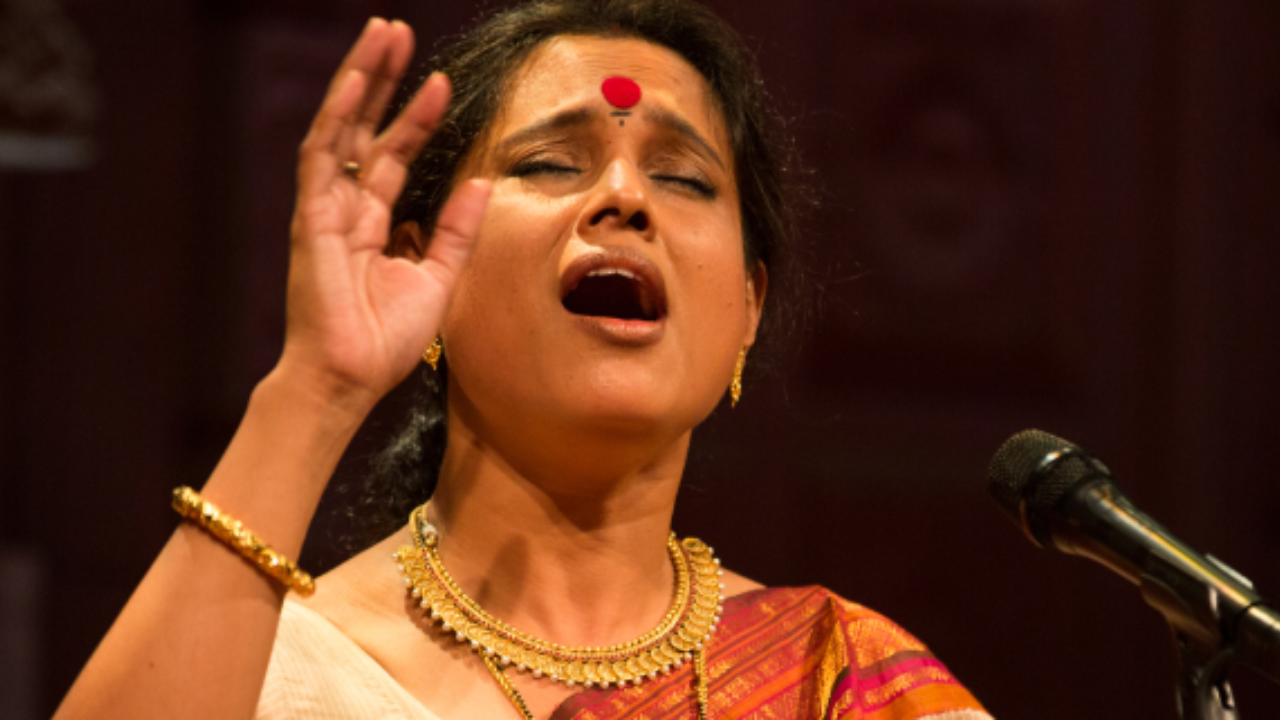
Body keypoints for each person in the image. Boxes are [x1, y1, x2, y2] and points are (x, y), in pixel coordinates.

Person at [55, 1, 991, 718]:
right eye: (549, 164)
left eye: (682, 177)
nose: (625, 196)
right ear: (421, 264)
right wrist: (317, 387)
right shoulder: (280, 674)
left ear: (748, 308)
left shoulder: (839, 680)